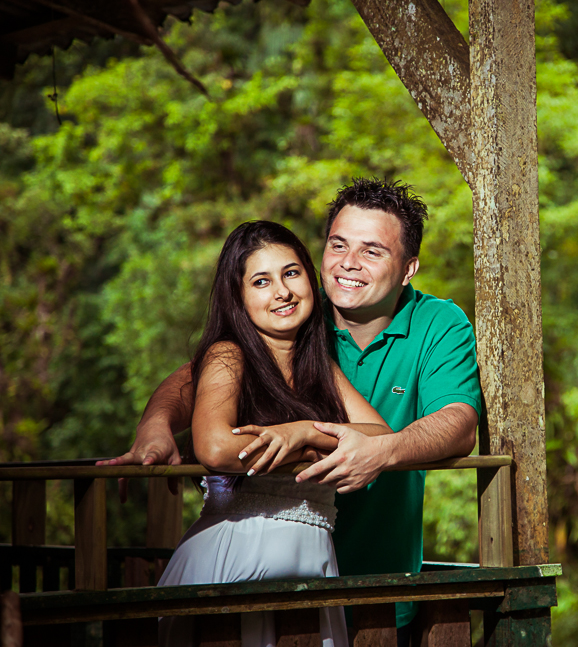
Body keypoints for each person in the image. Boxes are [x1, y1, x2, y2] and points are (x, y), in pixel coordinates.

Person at [100, 179, 482, 642]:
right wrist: (156, 423)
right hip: (258, 557)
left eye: (372, 251)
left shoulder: (436, 323)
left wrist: (372, 451)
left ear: (408, 268)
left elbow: (458, 424)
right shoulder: (296, 311)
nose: (348, 263)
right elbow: (198, 376)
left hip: (373, 569)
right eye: (338, 244)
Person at [155, 220, 393, 647]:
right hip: (235, 562)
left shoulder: (319, 366)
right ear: (238, 297)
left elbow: (379, 435)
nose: (282, 292)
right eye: (261, 281)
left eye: (291, 273)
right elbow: (214, 447)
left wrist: (303, 433)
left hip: (311, 568)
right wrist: (315, 453)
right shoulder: (229, 355)